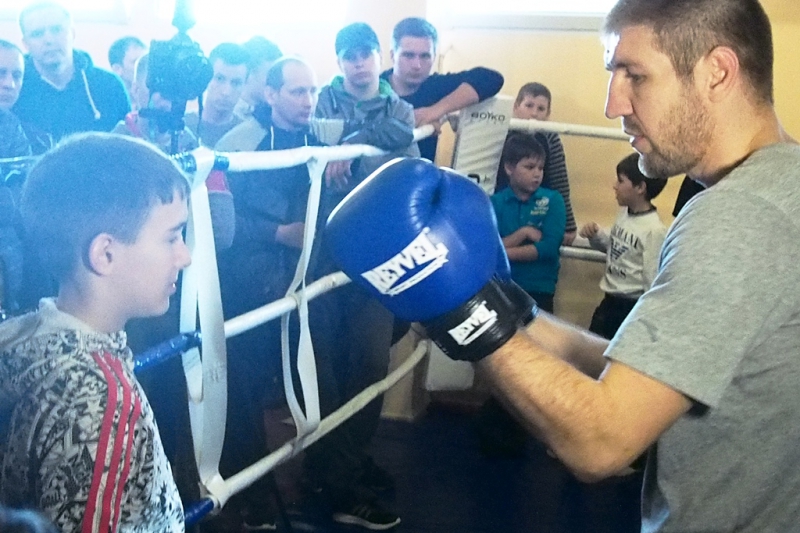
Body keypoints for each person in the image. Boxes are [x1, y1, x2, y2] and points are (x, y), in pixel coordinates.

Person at [322, 1, 800, 531]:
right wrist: (506, 304)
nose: (612, 104)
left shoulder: (739, 215)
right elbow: (653, 378)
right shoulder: (785, 183)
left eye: (634, 74)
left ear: (718, 72)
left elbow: (601, 444)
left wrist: (464, 311)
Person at [0, 132, 189, 532]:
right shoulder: (103, 400)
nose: (185, 256)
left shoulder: (27, 340)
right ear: (105, 253)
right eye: (172, 237)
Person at [306, 21, 413, 531]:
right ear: (339, 61)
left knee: (369, 366)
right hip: (326, 255)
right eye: (349, 55)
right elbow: (315, 134)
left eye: (365, 53)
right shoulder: (321, 100)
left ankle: (341, 472)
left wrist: (351, 143)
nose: (359, 63)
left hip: (376, 250)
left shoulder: (397, 107)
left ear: (378, 57)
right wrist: (348, 144)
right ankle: (336, 479)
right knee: (324, 373)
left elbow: (402, 132)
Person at [213, 56, 321, 531]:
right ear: (271, 94)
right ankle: (250, 493)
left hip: (298, 280)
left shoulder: (318, 142)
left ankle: (290, 484)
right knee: (245, 387)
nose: (308, 100)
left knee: (290, 382)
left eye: (312, 91)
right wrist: (277, 233)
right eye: (297, 91)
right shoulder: (241, 144)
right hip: (247, 282)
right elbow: (223, 219)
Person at [381, 17, 504, 162]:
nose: (417, 65)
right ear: (393, 56)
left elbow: (491, 78)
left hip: (422, 175)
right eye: (408, 55)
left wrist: (435, 110)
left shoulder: (434, 86)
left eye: (425, 56)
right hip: (373, 174)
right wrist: (408, 121)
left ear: (434, 57)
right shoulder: (373, 89)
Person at [12, 2, 130, 141]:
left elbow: (131, 144)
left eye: (56, 30)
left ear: (72, 34)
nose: (49, 40)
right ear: (25, 43)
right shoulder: (12, 88)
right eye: (37, 34)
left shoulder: (109, 85)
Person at [580, 153, 668, 339]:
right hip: (608, 302)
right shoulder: (624, 215)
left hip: (630, 308)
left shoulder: (654, 230)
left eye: (620, 181)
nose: (615, 186)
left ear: (640, 188)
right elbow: (615, 250)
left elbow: (651, 279)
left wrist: (647, 321)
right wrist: (596, 236)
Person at [492, 133, 565, 313]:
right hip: (502, 287)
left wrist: (502, 253)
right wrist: (523, 233)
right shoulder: (495, 202)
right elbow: (489, 247)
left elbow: (549, 248)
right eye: (530, 167)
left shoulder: (553, 200)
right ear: (509, 168)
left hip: (540, 290)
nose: (537, 174)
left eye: (541, 168)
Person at [509, 82, 577, 244]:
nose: (534, 113)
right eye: (528, 105)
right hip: (505, 205)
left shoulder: (550, 136)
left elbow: (560, 180)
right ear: (516, 107)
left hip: (539, 209)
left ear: (548, 114)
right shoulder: (503, 132)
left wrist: (569, 225)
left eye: (541, 109)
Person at [184, 42, 248, 147]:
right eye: (219, 79)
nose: (226, 92)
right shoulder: (181, 127)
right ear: (207, 78)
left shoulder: (248, 135)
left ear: (245, 85)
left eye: (236, 83)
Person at [234, 36, 282, 120]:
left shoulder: (276, 116)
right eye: (271, 75)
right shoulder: (226, 115)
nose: (277, 82)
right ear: (249, 73)